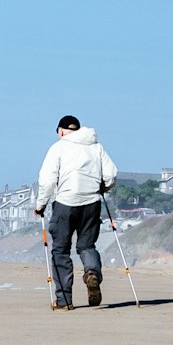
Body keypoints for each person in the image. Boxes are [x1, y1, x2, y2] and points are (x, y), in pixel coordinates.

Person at [34, 115, 117, 309]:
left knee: (60, 249)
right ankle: (92, 272)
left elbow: (47, 181)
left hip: (65, 203)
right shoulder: (96, 147)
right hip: (92, 203)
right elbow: (111, 174)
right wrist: (102, 188)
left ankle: (64, 300)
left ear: (61, 131)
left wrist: (40, 205)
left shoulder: (58, 147)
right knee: (87, 246)